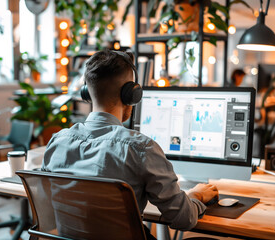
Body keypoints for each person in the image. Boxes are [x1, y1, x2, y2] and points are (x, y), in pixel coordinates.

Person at [42, 49, 218, 238]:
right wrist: (196, 195)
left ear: (86, 92)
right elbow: (183, 219)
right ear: (131, 94)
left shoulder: (57, 142)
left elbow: (47, 205)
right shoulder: (141, 149)